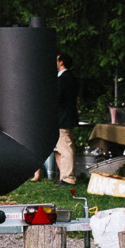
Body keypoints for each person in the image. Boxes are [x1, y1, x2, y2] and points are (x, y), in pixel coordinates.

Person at [39, 54, 78, 185]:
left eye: (56, 60)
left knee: (65, 148)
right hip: (65, 116)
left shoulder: (64, 79)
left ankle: (68, 178)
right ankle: (64, 176)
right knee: (62, 147)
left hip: (63, 117)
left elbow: (57, 98)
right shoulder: (68, 77)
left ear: (61, 62)